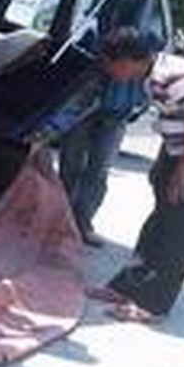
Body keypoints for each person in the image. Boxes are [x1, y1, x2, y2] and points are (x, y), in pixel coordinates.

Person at [92, 26, 184, 322]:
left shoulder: (173, 76)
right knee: (159, 223)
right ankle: (127, 287)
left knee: (181, 231)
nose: (109, 71)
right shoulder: (153, 73)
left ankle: (153, 304)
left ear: (125, 61)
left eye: (109, 64)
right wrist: (167, 163)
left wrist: (183, 170)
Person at [59, 68, 149, 246]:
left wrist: (140, 104)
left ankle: (82, 224)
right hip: (83, 106)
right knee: (70, 166)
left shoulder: (149, 46)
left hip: (118, 112)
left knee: (98, 171)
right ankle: (58, 220)